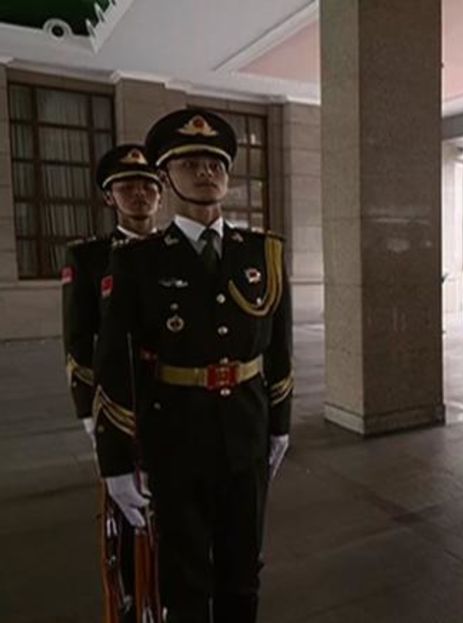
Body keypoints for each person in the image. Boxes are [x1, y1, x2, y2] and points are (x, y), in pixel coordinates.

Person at [93, 109, 293, 622]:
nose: (206, 172)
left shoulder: (263, 253)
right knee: (183, 577)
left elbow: (279, 349)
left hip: (246, 430)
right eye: (191, 162)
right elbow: (114, 363)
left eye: (216, 162)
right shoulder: (139, 261)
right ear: (166, 177)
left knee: (243, 568)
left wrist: (280, 426)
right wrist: (116, 463)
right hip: (176, 434)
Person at [63, 144, 162, 622]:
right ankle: (133, 601)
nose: (139, 194)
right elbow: (79, 340)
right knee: (128, 519)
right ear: (109, 197)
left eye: (148, 186)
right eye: (127, 186)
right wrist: (90, 414)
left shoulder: (174, 252)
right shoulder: (88, 257)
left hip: (175, 401)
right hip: (122, 404)